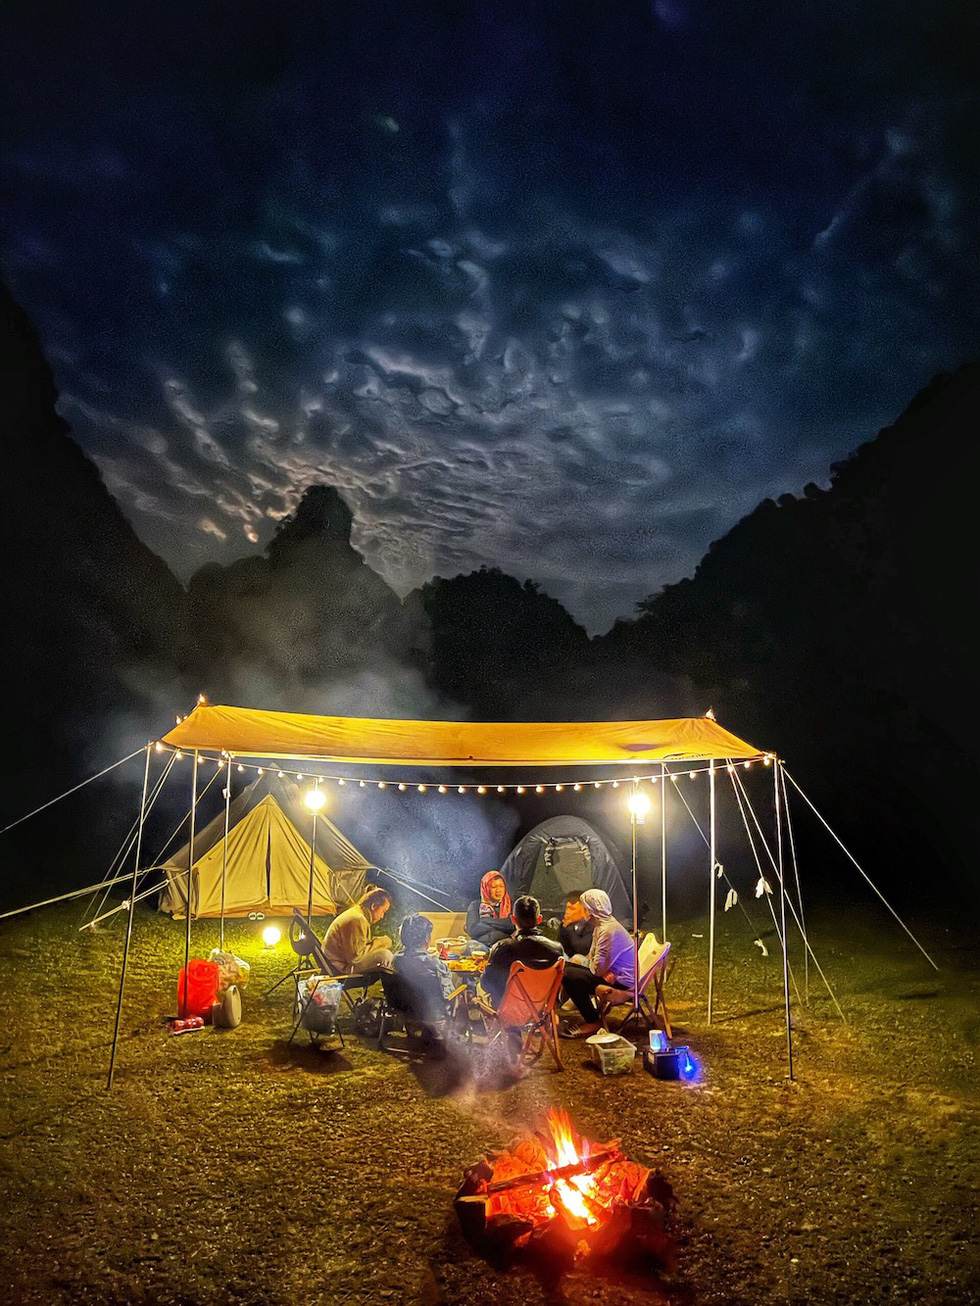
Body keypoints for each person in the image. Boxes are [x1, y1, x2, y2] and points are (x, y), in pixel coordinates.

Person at [559, 888, 635, 1038]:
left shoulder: (608, 930)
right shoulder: (601, 927)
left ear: (590, 910)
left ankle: (592, 1020)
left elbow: (597, 968)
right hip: (611, 974)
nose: (583, 910)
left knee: (568, 975)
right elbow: (593, 958)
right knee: (565, 967)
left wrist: (600, 968)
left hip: (621, 982)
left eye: (584, 907)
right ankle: (574, 1006)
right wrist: (600, 968)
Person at [482, 895, 563, 1010]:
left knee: (479, 990)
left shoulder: (504, 947)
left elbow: (486, 984)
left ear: (513, 919)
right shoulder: (557, 949)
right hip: (541, 1009)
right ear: (539, 919)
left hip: (508, 1009)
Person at [393, 913, 457, 1026]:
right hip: (433, 1014)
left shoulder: (397, 958)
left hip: (405, 1011)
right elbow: (449, 993)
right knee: (461, 989)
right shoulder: (433, 964)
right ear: (427, 938)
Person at [323, 887, 394, 975]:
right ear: (374, 906)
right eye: (383, 911)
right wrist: (381, 943)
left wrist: (378, 943)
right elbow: (356, 958)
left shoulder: (358, 914)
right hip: (338, 968)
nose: (382, 916)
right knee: (386, 956)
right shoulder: (357, 919)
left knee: (384, 953)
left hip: (338, 962)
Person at [465, 871, 516, 949]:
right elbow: (472, 929)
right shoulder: (475, 905)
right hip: (481, 945)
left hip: (504, 946)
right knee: (470, 945)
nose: (498, 890)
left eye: (501, 886)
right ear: (486, 888)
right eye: (494, 887)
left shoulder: (512, 905)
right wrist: (502, 925)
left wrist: (485, 921)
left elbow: (512, 925)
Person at [558, 889, 596, 962]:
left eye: (572, 909)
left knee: (578, 958)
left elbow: (583, 949)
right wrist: (563, 927)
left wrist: (569, 930)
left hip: (590, 964)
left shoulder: (594, 926)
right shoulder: (572, 926)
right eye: (567, 908)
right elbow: (564, 948)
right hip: (572, 962)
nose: (567, 912)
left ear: (585, 909)